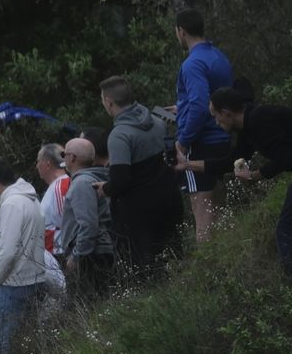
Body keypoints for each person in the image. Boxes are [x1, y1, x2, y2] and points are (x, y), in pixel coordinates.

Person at [177, 86, 292, 274]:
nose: (216, 121)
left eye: (216, 116)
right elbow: (230, 162)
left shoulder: (260, 121)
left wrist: (255, 175)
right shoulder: (246, 127)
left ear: (226, 113)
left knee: (287, 228)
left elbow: (286, 158)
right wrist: (187, 164)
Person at [99, 75, 182, 272]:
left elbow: (121, 179)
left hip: (139, 216)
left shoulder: (119, 135)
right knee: (173, 261)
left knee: (143, 271)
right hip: (169, 201)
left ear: (109, 102)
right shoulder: (157, 122)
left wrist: (106, 188)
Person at [171, 9, 236, 244]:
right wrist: (182, 107)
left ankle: (206, 274)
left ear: (182, 31)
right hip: (221, 139)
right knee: (218, 208)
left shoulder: (192, 64)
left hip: (201, 143)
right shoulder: (218, 56)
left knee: (203, 211)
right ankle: (224, 266)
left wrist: (183, 142)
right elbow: (211, 98)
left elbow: (200, 105)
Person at [0, 159, 45, 354]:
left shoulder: (11, 204)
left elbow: (8, 251)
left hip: (13, 283)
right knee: (30, 344)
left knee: (5, 348)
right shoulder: (31, 200)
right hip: (34, 278)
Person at [60, 137, 116, 296]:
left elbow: (89, 225)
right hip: (96, 252)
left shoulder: (81, 183)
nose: (63, 158)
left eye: (64, 154)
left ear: (72, 158)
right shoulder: (95, 178)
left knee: (88, 307)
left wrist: (76, 256)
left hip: (90, 256)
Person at [35, 143, 69, 256]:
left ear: (47, 164)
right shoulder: (56, 186)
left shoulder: (61, 186)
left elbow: (66, 223)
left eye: (38, 161)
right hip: (53, 255)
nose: (36, 166)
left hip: (59, 255)